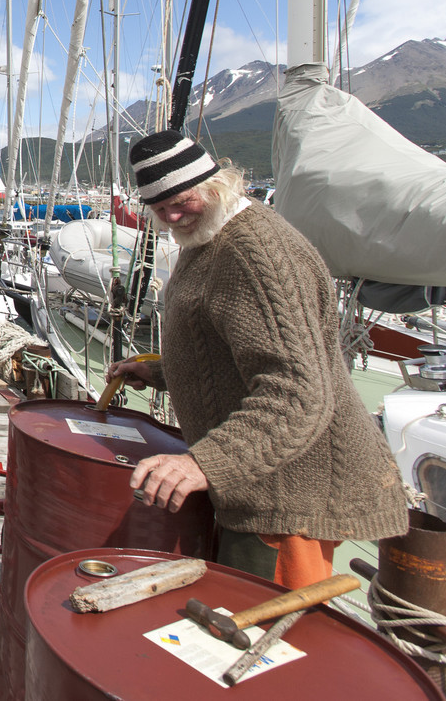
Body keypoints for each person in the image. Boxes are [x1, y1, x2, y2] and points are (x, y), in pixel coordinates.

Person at [108, 129, 406, 588]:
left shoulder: (253, 252)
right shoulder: (208, 236)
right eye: (159, 208)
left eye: (181, 201)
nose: (172, 215)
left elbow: (297, 395)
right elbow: (234, 347)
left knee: (268, 625)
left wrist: (204, 464)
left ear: (217, 185)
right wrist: (161, 372)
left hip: (287, 499)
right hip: (252, 483)